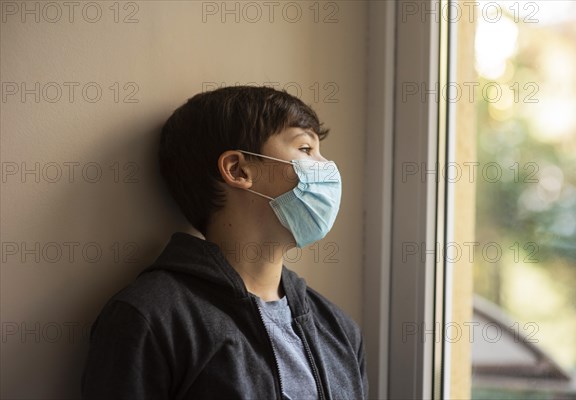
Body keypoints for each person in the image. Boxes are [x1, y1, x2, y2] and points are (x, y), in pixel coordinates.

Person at [81, 86, 368, 399]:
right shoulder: (150, 318)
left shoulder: (339, 329)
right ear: (238, 169)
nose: (327, 167)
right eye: (305, 149)